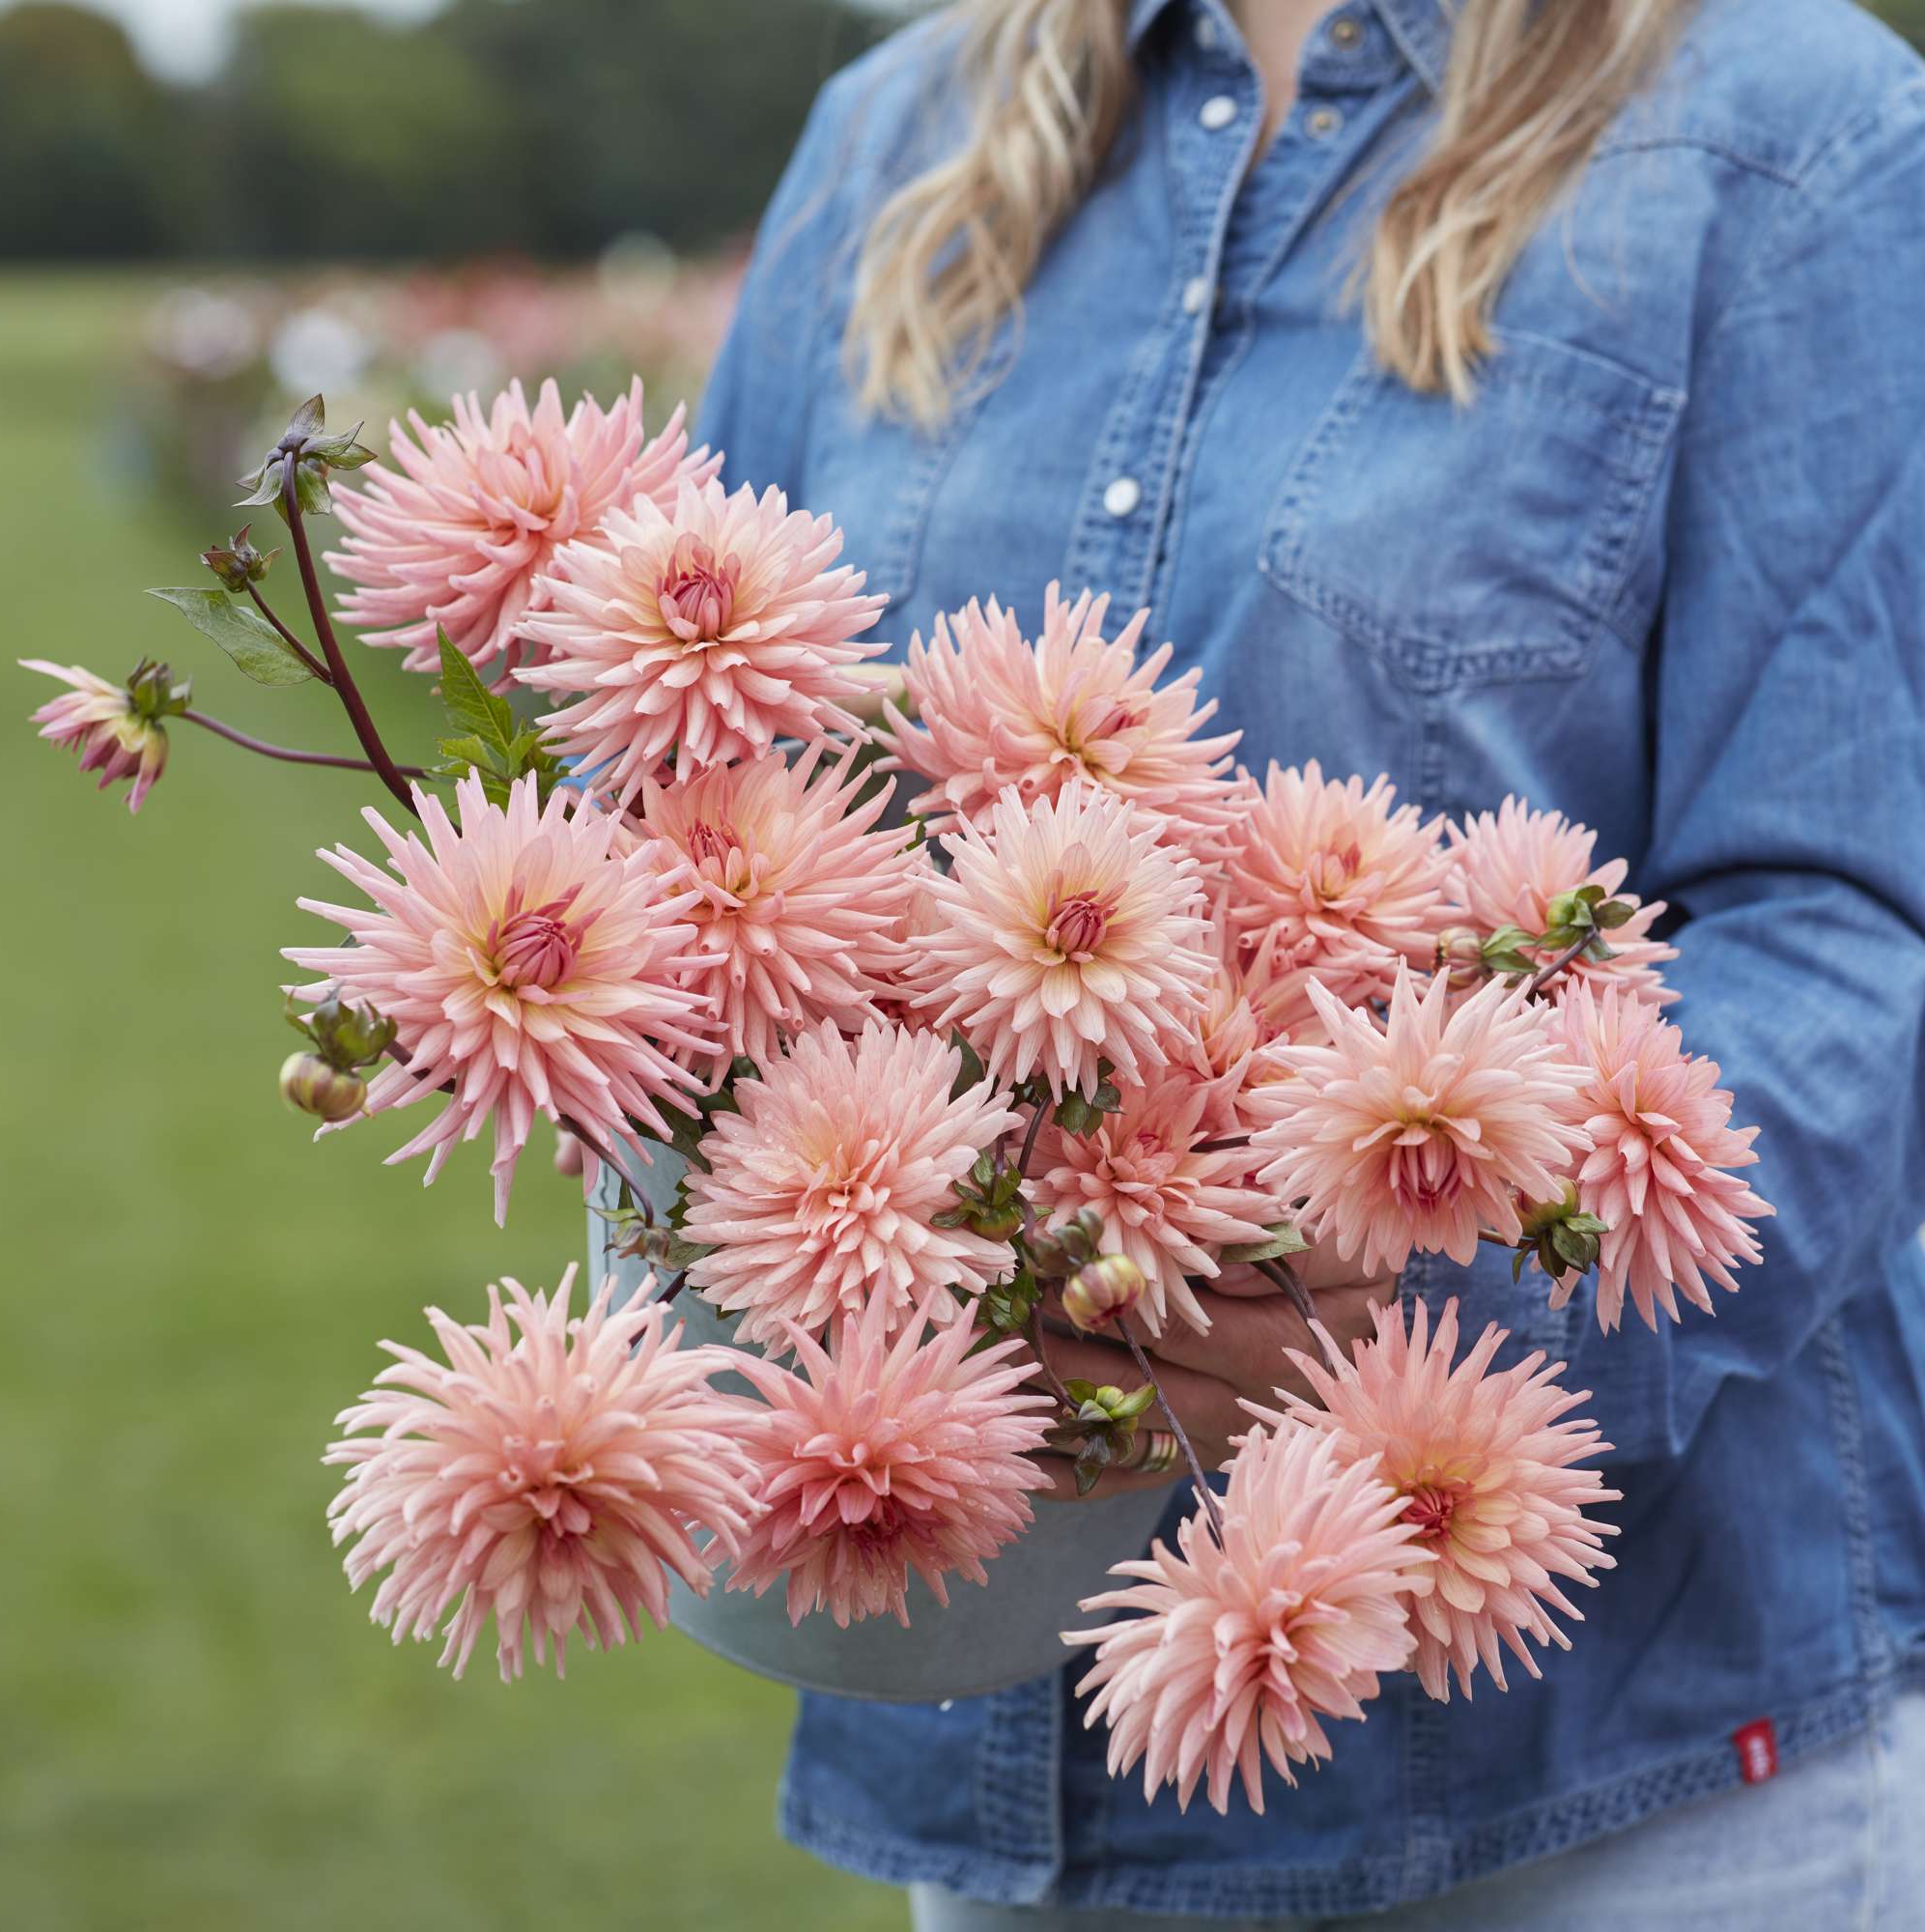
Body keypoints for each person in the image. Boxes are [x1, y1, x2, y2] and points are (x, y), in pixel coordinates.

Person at [692, 2, 1925, 1925]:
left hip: (1613, 1777)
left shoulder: (1789, 131)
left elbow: (1856, 932)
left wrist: (1405, 1317)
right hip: (999, 1735)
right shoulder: (886, 139)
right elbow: (687, 790)